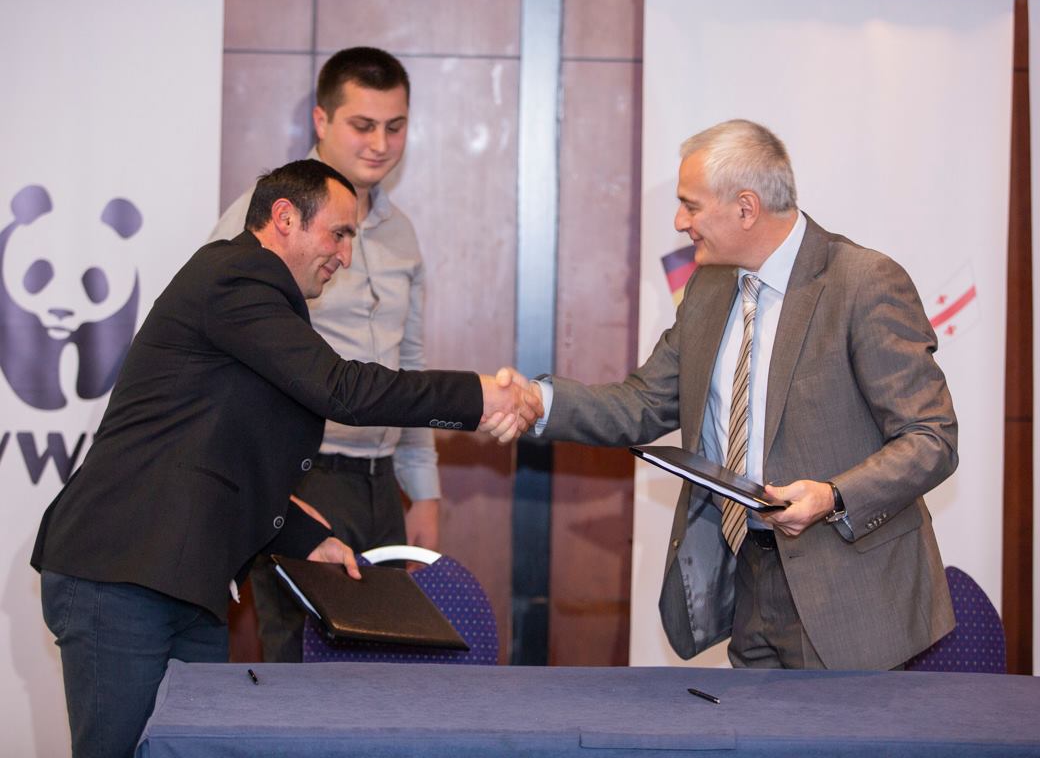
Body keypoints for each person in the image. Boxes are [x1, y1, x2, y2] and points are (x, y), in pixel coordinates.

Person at [31, 159, 537, 758]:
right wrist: (478, 396)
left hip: (184, 583)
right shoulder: (236, 277)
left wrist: (304, 537)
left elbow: (215, 450)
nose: (345, 255)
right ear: (284, 217)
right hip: (119, 573)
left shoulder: (256, 299)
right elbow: (342, 389)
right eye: (339, 234)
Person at [499, 119, 957, 670]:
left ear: (745, 208)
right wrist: (538, 402)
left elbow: (932, 438)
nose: (679, 222)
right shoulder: (709, 285)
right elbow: (643, 403)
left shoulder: (862, 283)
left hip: (849, 593)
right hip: (748, 577)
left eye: (690, 206)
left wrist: (832, 496)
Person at [211, 47, 441, 662]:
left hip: (381, 483)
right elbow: (218, 347)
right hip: (303, 476)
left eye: (395, 126)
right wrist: (268, 484)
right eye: (362, 125)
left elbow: (408, 364)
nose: (380, 144)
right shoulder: (270, 216)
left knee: (385, 667)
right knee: (300, 670)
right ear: (321, 120)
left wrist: (423, 489)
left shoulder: (401, 231)